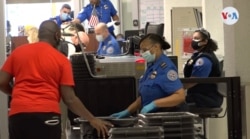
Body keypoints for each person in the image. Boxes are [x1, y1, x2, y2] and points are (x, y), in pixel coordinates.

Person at [0, 20, 112, 139]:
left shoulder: (18, 52)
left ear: (40, 35)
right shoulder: (61, 60)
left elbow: (2, 82)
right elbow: (69, 99)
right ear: (57, 36)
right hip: (47, 114)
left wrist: (16, 94)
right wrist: (92, 119)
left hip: (18, 114)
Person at [111, 34, 185, 118]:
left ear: (156, 47)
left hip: (167, 118)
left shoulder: (166, 68)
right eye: (141, 51)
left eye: (145, 50)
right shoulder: (152, 66)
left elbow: (180, 96)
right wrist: (128, 111)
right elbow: (146, 95)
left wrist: (154, 104)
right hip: (152, 117)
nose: (142, 54)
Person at [183, 28, 223, 108]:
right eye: (193, 38)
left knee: (173, 105)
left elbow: (193, 80)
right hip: (200, 97)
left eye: (197, 38)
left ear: (205, 41)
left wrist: (174, 89)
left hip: (205, 98)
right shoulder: (198, 55)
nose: (193, 41)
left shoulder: (204, 60)